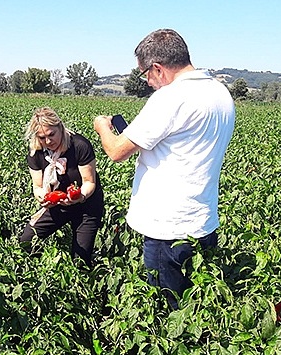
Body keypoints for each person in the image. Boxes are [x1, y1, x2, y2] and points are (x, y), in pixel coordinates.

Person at [93, 28, 235, 309]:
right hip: (203, 222)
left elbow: (117, 151)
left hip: (168, 228)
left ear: (158, 68)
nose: (147, 81)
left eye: (146, 73)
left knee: (168, 310)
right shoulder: (220, 94)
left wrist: (102, 128)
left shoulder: (170, 98)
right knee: (199, 305)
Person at [20, 107, 104, 268]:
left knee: (80, 261)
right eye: (42, 137)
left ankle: (80, 284)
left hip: (86, 205)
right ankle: (38, 272)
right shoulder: (36, 152)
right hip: (57, 205)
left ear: (60, 127)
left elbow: (89, 182)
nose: (48, 141)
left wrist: (79, 197)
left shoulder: (79, 145)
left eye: (52, 134)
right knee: (26, 241)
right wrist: (43, 197)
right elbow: (37, 186)